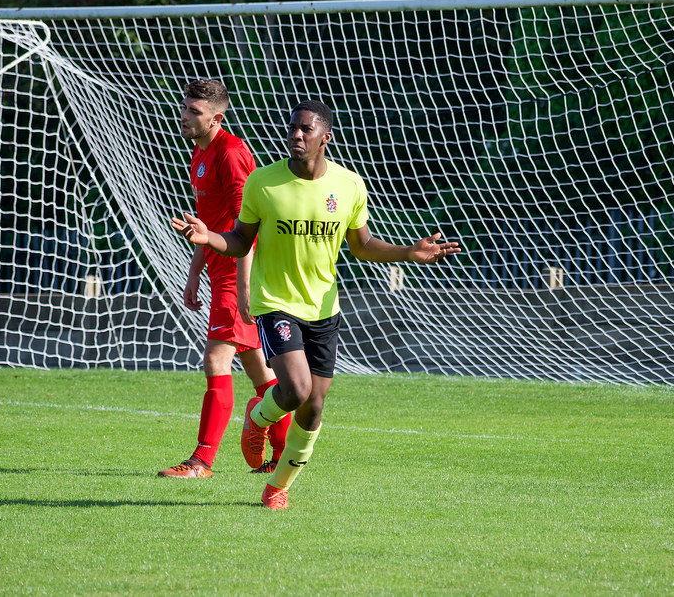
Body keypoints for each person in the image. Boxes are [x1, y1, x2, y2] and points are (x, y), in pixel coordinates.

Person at [171, 100, 460, 508]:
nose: (296, 134)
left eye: (306, 129)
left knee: (314, 407)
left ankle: (277, 488)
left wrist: (408, 253)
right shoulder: (263, 182)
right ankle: (256, 419)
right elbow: (240, 240)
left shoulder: (349, 185)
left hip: (324, 308)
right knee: (296, 389)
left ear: (326, 137)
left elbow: (361, 245)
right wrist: (210, 238)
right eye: (292, 127)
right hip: (276, 303)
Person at [158, 79, 291, 479]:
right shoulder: (200, 152)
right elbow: (209, 223)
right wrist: (194, 273)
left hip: (238, 273)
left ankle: (202, 461)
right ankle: (281, 455)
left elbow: (246, 226)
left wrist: (245, 287)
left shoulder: (231, 154)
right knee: (261, 372)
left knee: (216, 358)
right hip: (221, 273)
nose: (184, 116)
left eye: (194, 112)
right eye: (185, 108)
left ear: (217, 118)